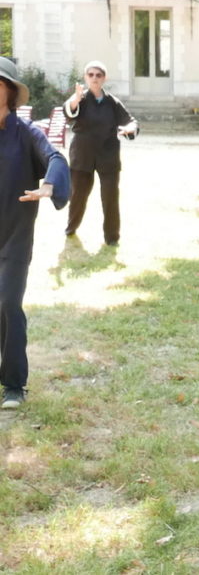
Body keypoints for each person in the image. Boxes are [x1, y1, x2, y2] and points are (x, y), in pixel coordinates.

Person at [0, 57, 71, 409]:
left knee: (9, 305)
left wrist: (49, 184)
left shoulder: (26, 133)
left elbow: (56, 158)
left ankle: (13, 384)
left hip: (15, 236)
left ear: (10, 93)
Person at [63, 61, 139, 246]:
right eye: (91, 74)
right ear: (85, 78)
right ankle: (71, 228)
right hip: (83, 155)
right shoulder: (79, 98)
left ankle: (112, 238)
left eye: (98, 75)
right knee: (78, 195)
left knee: (110, 197)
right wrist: (75, 99)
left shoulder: (112, 102)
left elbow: (131, 121)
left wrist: (130, 128)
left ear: (104, 78)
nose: (95, 78)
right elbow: (69, 112)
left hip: (108, 155)